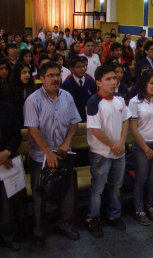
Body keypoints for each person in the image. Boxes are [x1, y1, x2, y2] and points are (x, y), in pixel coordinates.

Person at [23, 61, 81, 246]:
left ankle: (65, 224)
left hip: (64, 153)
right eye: (50, 76)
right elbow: (32, 129)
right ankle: (39, 231)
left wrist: (66, 142)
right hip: (41, 156)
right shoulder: (33, 100)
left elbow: (74, 122)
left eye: (58, 75)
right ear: (41, 78)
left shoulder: (67, 97)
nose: (56, 79)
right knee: (39, 193)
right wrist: (47, 152)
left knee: (67, 191)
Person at [85, 65, 131, 237]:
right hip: (101, 153)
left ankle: (114, 214)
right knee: (98, 188)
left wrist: (121, 142)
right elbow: (95, 130)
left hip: (119, 151)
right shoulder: (94, 102)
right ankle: (93, 218)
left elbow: (126, 120)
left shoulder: (119, 99)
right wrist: (113, 144)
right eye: (108, 79)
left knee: (115, 185)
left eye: (114, 78)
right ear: (98, 83)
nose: (114, 81)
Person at [129, 69, 153, 225]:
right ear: (144, 84)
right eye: (152, 83)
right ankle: (139, 209)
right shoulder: (135, 102)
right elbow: (133, 128)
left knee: (152, 178)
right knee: (141, 178)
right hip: (142, 146)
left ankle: (149, 206)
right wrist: (146, 149)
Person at [0, 100, 21, 251]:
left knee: (7, 205)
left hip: (5, 163)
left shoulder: (7, 106)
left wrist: (7, 152)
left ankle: (8, 237)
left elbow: (16, 134)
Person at [62, 55, 96, 122]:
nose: (83, 69)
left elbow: (94, 100)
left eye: (84, 66)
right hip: (73, 119)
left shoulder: (90, 81)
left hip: (89, 118)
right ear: (71, 69)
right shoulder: (66, 84)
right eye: (79, 67)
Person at [8, 62, 38, 126]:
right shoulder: (9, 90)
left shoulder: (33, 89)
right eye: (24, 72)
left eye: (28, 72)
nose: (27, 75)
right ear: (17, 74)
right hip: (14, 125)